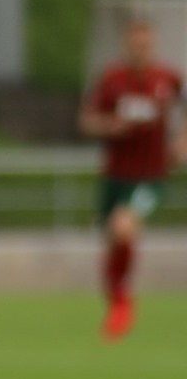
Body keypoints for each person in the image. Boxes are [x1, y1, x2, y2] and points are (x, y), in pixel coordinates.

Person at [79, 17, 184, 341]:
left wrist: (181, 141)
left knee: (124, 227)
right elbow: (86, 120)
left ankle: (124, 304)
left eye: (146, 44)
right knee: (112, 243)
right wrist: (109, 126)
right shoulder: (112, 79)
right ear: (127, 45)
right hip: (116, 176)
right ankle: (116, 301)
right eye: (135, 44)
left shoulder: (167, 78)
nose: (141, 49)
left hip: (151, 176)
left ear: (153, 45)